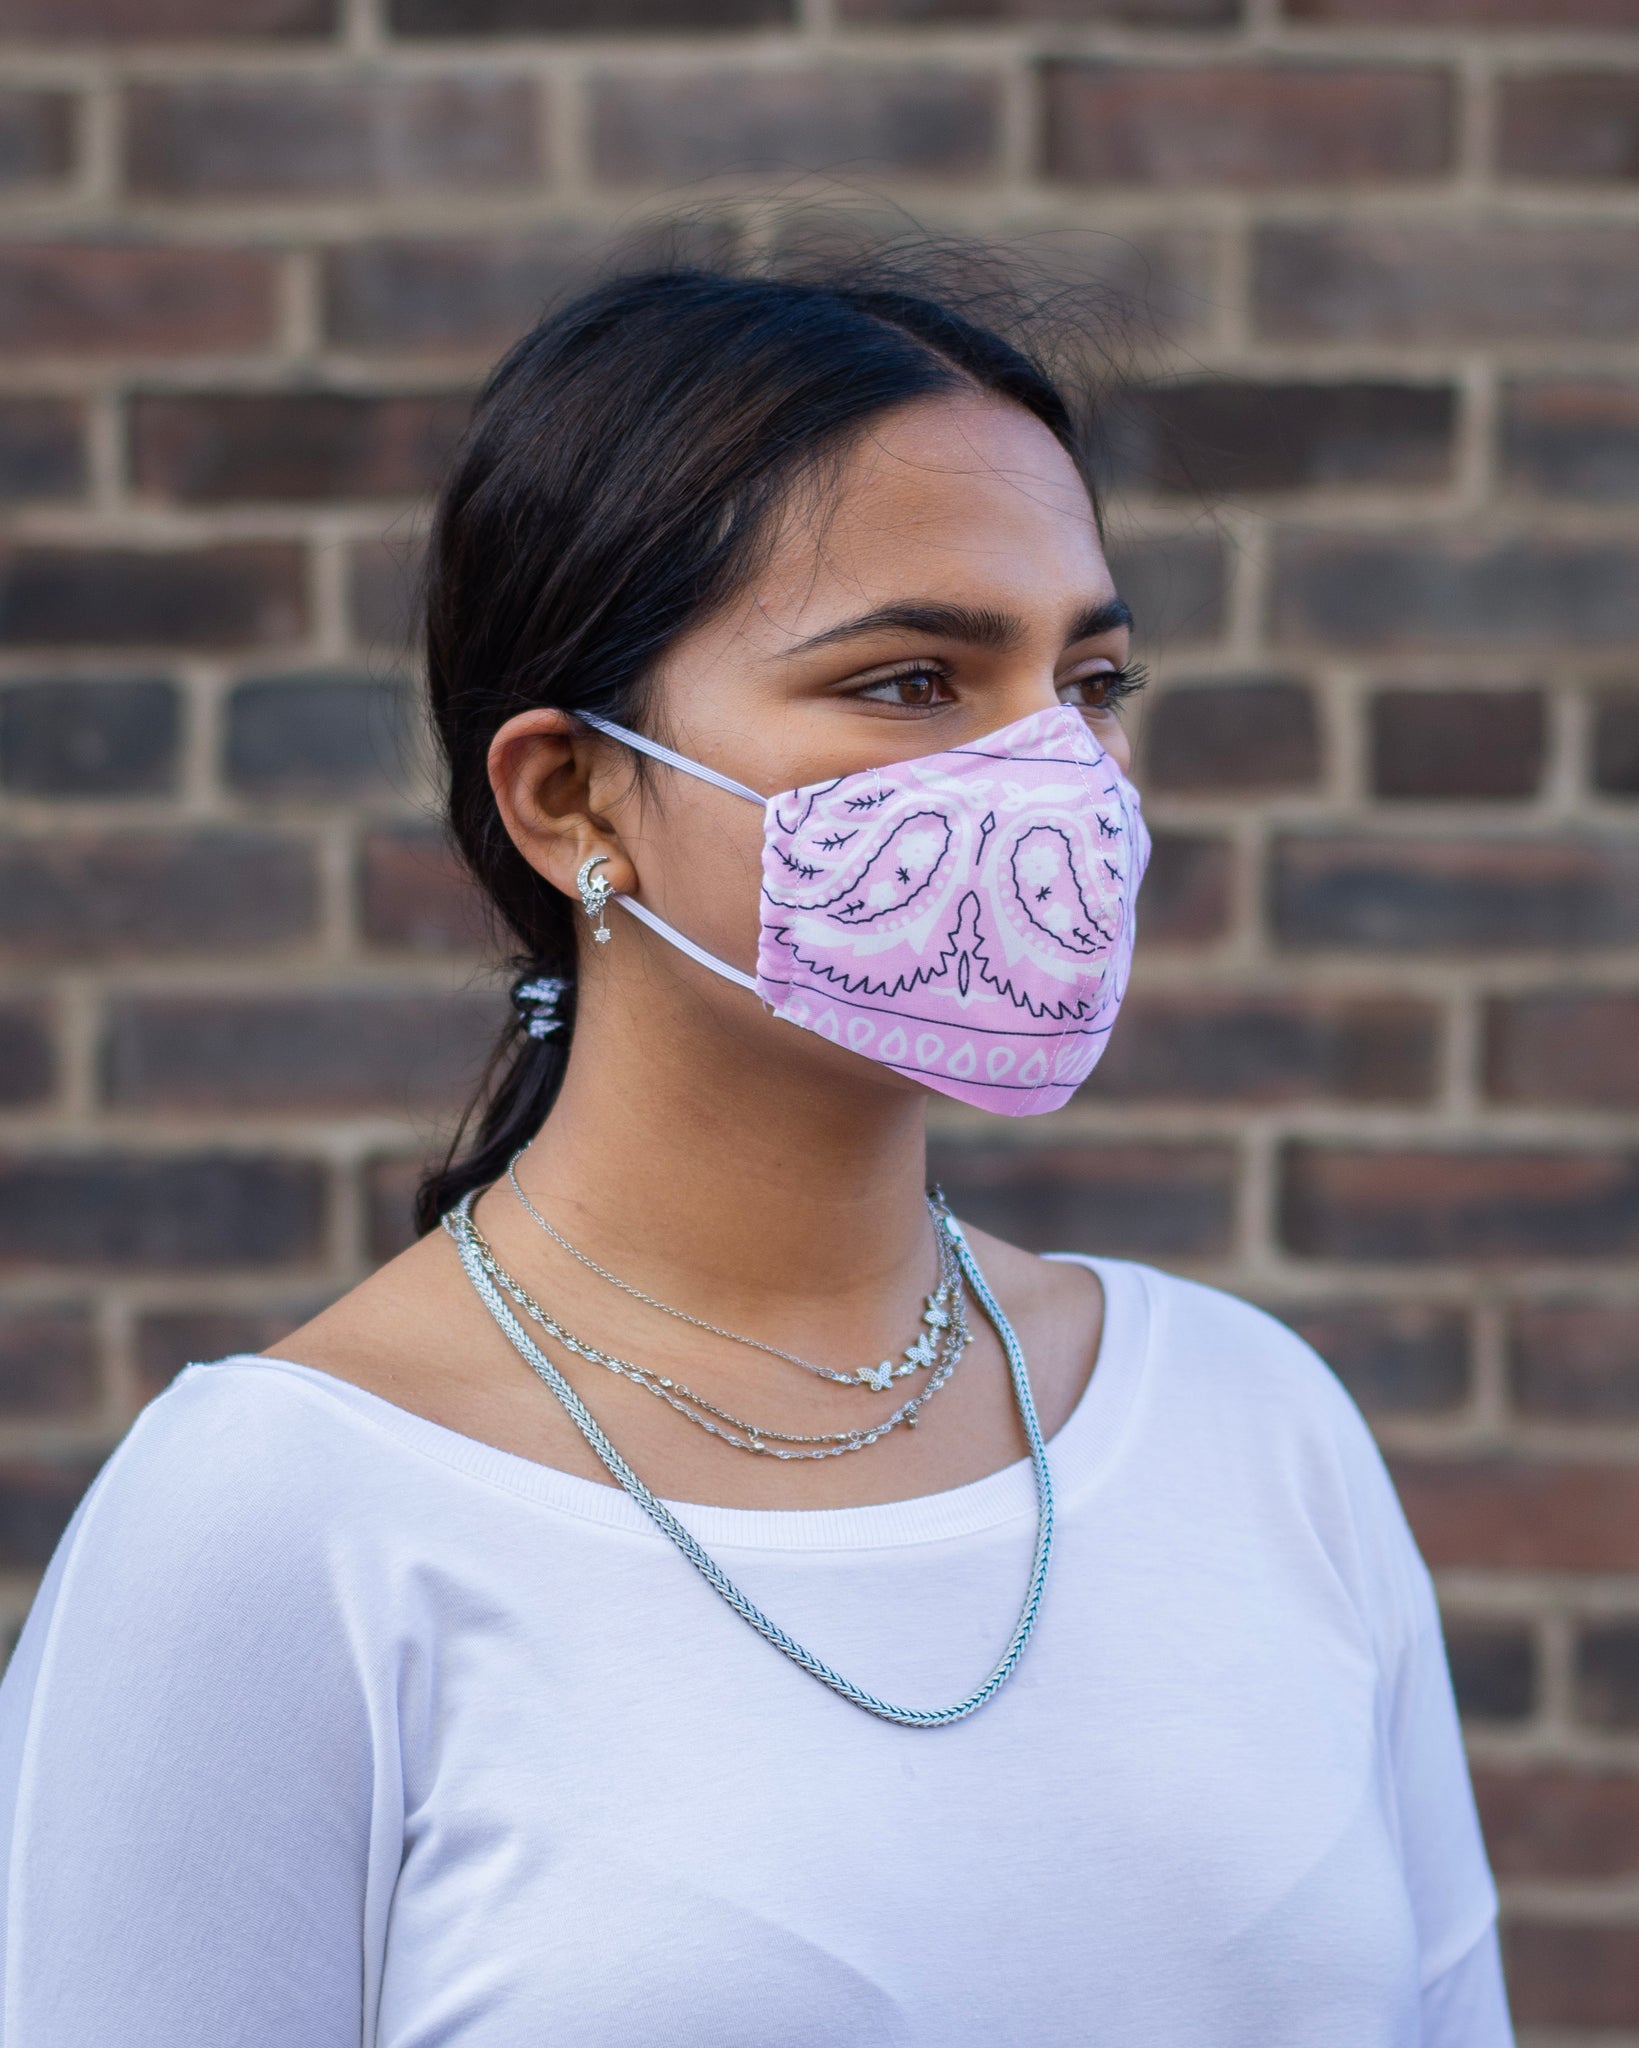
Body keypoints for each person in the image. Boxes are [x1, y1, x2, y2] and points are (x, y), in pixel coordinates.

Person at [0, 246, 1512, 2045]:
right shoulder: (279, 1519)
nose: (1058, 784)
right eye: (911, 685)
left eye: (1088, 681)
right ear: (570, 797)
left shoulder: (1258, 1433)